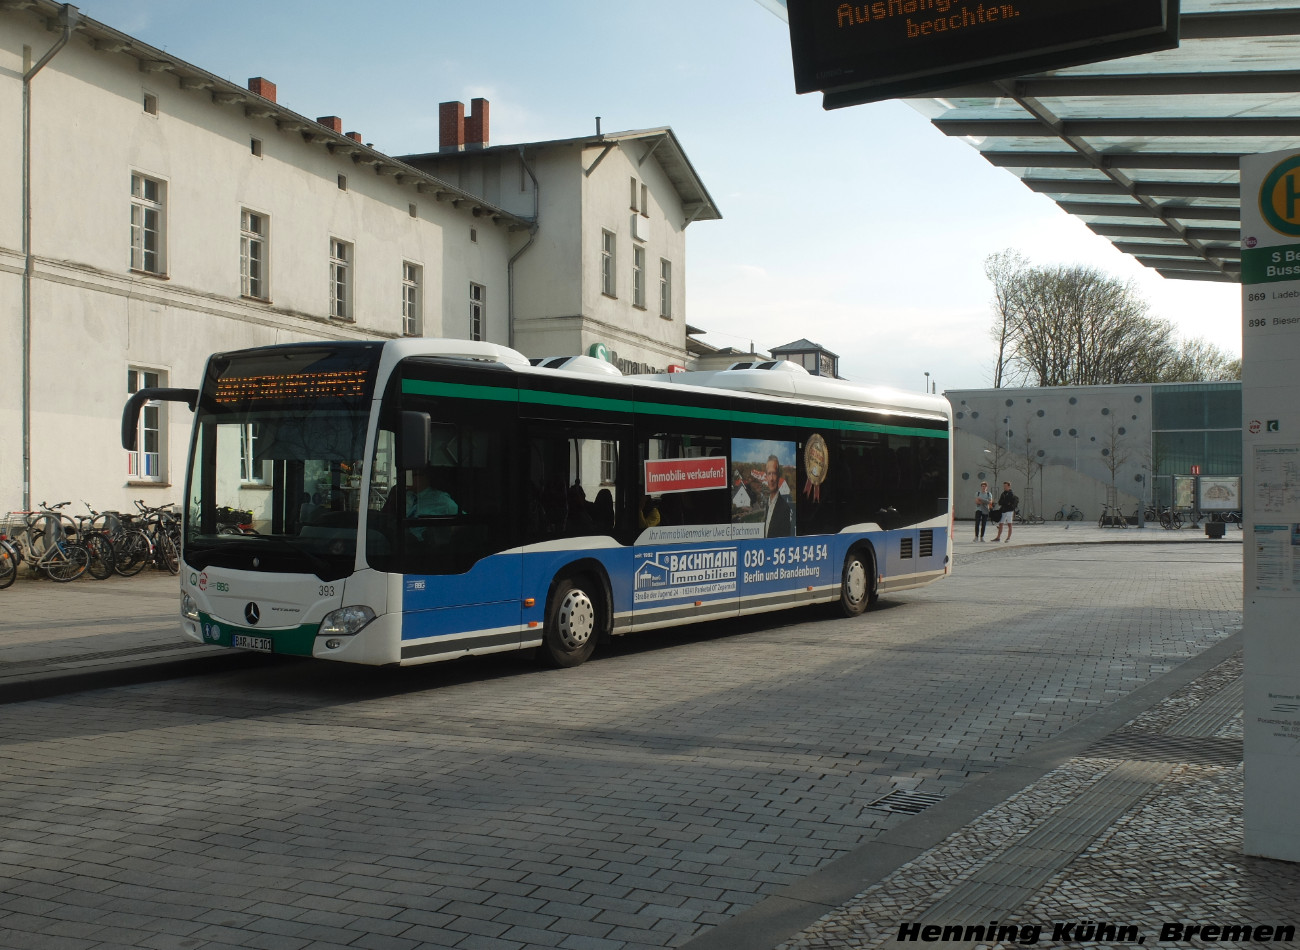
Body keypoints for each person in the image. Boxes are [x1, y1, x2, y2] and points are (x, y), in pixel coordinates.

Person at [763, 455, 794, 538]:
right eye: (769, 474)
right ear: (766, 477)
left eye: (774, 473)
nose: (771, 478)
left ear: (778, 476)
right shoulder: (767, 504)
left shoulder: (784, 508)